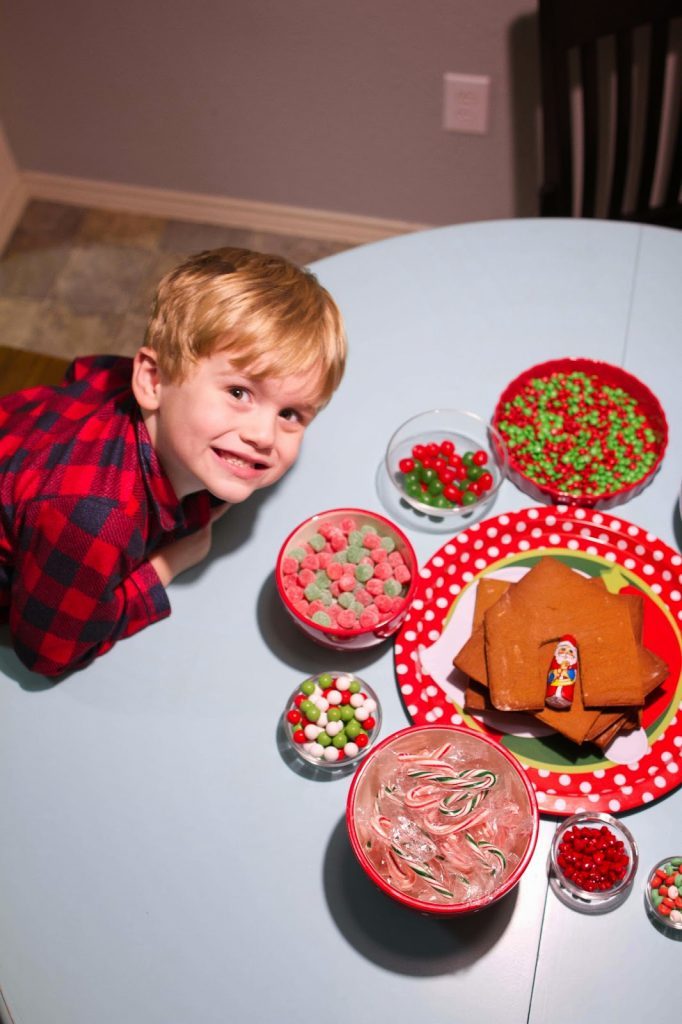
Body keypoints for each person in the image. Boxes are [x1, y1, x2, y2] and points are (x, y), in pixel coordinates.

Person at [0, 247, 347, 677]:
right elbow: (49, 654)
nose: (264, 435)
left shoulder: (174, 426)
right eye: (239, 393)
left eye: (289, 414)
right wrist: (169, 564)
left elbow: (82, 374)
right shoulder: (93, 518)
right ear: (152, 380)